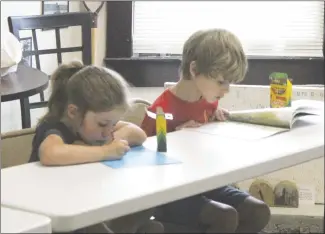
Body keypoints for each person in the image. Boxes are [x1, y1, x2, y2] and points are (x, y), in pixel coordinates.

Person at [141, 29, 270, 233]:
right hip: (171, 193)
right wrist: (175, 140)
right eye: (221, 82)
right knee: (225, 216)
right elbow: (144, 167)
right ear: (194, 69)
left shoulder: (209, 101)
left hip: (203, 182)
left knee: (258, 211)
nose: (226, 90)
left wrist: (215, 122)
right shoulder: (161, 111)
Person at [31, 61, 163, 233]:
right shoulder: (54, 127)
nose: (108, 131)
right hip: (50, 215)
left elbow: (138, 134)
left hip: (81, 204)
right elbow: (50, 153)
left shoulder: (96, 127)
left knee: (144, 213)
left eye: (113, 124)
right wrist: (105, 151)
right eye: (102, 124)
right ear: (73, 112)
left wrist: (113, 141)